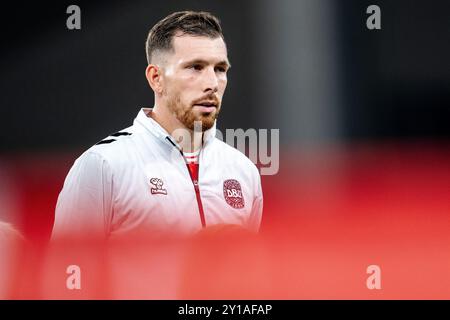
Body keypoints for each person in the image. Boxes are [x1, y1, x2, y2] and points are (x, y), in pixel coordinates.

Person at [52, 11, 263, 240]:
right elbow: (65, 272)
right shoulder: (103, 165)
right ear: (156, 78)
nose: (212, 83)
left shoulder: (243, 171)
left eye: (220, 69)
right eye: (195, 67)